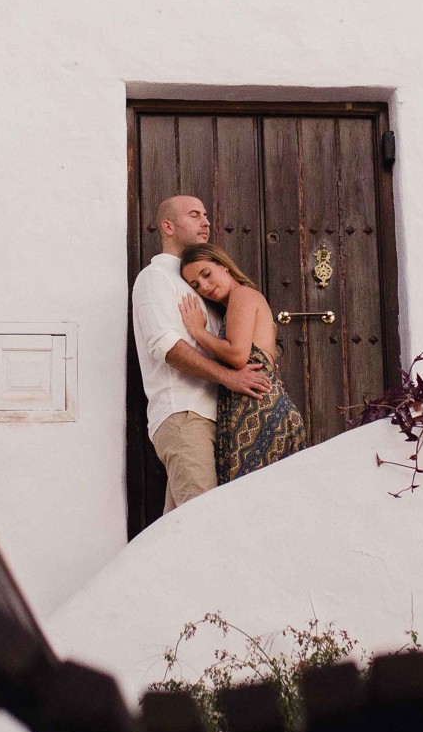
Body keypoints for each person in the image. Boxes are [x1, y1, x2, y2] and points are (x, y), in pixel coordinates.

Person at [131, 195, 271, 513]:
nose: (205, 221)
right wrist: (230, 377)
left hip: (212, 419)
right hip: (184, 415)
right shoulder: (155, 278)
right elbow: (166, 346)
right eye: (194, 215)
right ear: (168, 226)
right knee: (202, 522)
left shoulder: (198, 286)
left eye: (206, 215)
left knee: (183, 528)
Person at [178, 242, 308, 483]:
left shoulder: (243, 295)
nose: (204, 286)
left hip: (261, 412)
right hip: (253, 409)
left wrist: (198, 331)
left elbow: (238, 355)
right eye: (195, 285)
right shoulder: (233, 305)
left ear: (224, 266)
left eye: (206, 274)